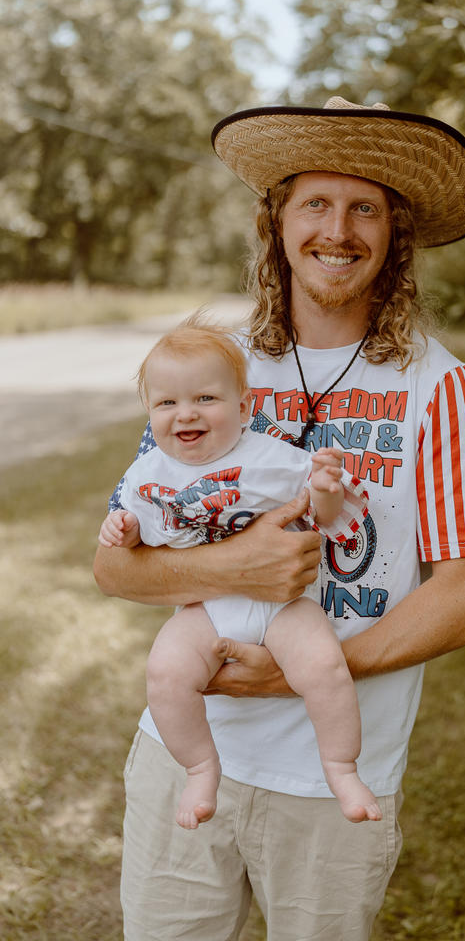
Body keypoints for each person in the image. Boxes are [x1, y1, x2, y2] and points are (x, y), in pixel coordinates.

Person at [94, 96, 465, 941]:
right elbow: (115, 564)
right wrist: (232, 569)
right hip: (186, 755)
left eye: (365, 208)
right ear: (275, 221)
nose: (338, 228)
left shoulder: (439, 386)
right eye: (315, 202)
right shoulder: (213, 366)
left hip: (334, 780)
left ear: (393, 234)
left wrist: (308, 671)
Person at [98, 315, 379, 831]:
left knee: (324, 669)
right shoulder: (148, 474)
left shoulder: (272, 458)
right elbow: (146, 539)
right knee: (165, 673)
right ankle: (201, 768)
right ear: (149, 412)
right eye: (167, 403)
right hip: (206, 610)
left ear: (244, 407)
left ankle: (341, 768)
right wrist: (126, 529)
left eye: (206, 399)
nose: (186, 414)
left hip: (283, 607)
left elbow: (325, 511)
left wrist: (323, 484)